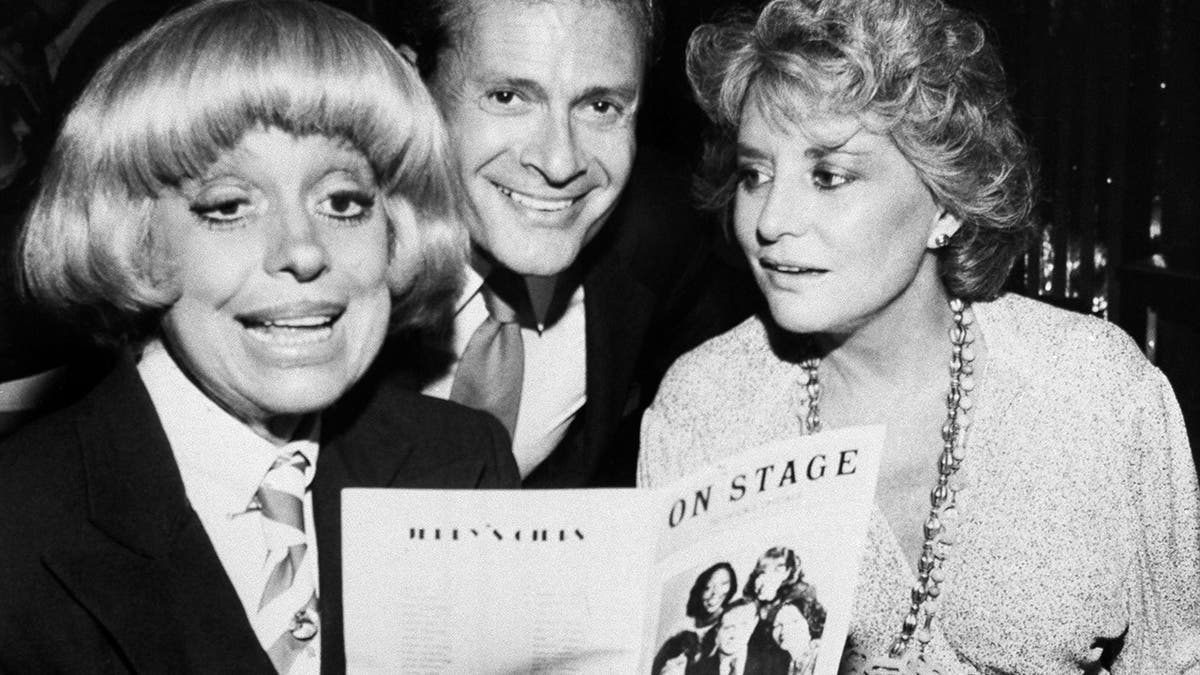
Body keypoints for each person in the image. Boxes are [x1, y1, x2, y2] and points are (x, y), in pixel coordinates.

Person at [637, 0, 1200, 671]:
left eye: (829, 176)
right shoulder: (706, 410)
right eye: (757, 174)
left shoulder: (1098, 393)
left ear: (945, 198)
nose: (770, 219)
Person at [0, 1, 519, 671]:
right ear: (137, 240)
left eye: (343, 202)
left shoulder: (460, 465)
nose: (302, 251)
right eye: (229, 206)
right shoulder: (19, 526)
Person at [386, 0, 755, 487]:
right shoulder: (328, 269)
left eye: (600, 107)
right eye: (507, 96)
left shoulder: (665, 239)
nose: (559, 163)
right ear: (411, 85)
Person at [689, 599, 791, 675]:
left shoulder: (775, 661)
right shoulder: (697, 671)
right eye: (728, 628)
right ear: (716, 631)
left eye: (742, 626)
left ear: (752, 628)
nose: (733, 635)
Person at [768, 597, 825, 675]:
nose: (784, 629)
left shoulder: (821, 655)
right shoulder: (793, 664)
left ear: (810, 624)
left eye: (793, 621)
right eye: (778, 624)